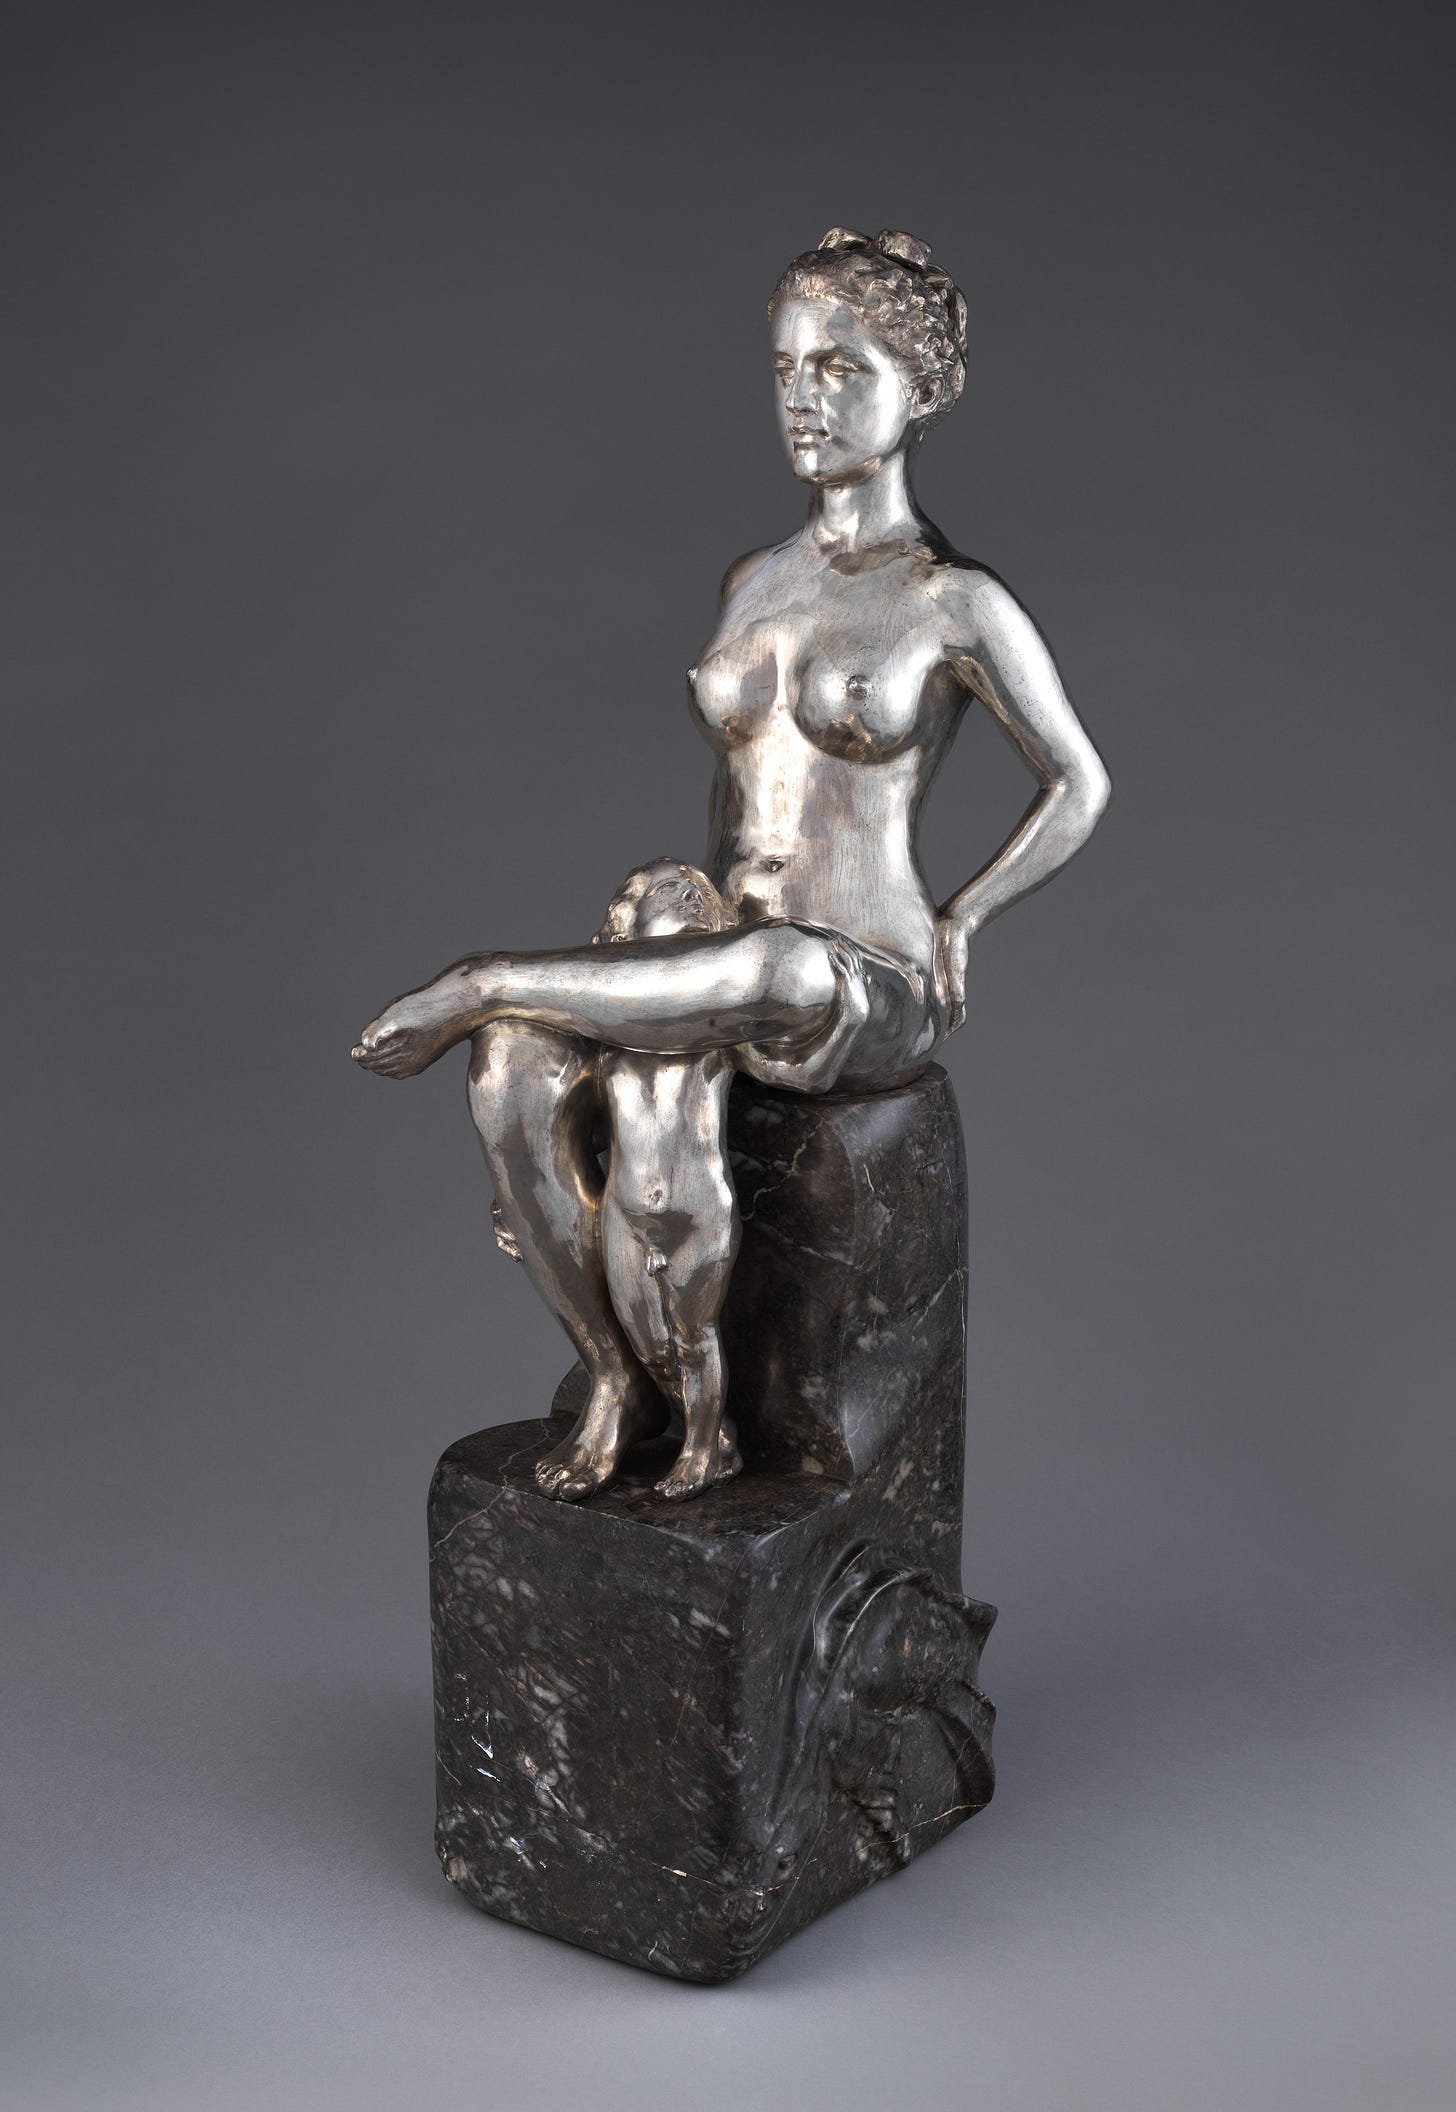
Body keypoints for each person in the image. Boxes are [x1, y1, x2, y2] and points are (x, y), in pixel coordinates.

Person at [354, 227, 1112, 1503]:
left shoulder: (953, 602)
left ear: (921, 389)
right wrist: (668, 935)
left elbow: (1079, 783)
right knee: (512, 1069)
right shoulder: (752, 581)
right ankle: (614, 1374)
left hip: (858, 976)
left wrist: (966, 917)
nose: (804, 399)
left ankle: (484, 978)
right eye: (786, 368)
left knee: (769, 967)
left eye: (842, 368)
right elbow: (739, 796)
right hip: (726, 953)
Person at [591, 858, 743, 1501]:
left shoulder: (720, 1028)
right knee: (650, 1344)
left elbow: (799, 1071)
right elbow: (590, 1128)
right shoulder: (605, 1036)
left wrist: (842, 1022)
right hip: (625, 1210)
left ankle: (702, 1449)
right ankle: (715, 1434)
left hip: (695, 1211)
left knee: (693, 1336)